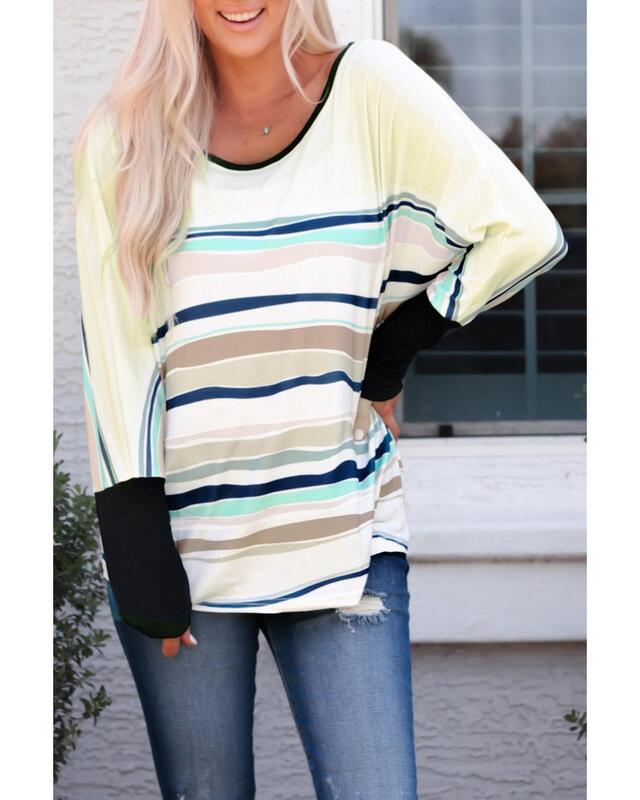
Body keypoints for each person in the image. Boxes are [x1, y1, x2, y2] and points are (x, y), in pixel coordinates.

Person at [71, 2, 568, 797]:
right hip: (184, 553)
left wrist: (390, 354)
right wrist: (138, 553)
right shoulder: (121, 139)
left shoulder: (369, 86)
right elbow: (116, 357)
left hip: (343, 533)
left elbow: (522, 231)